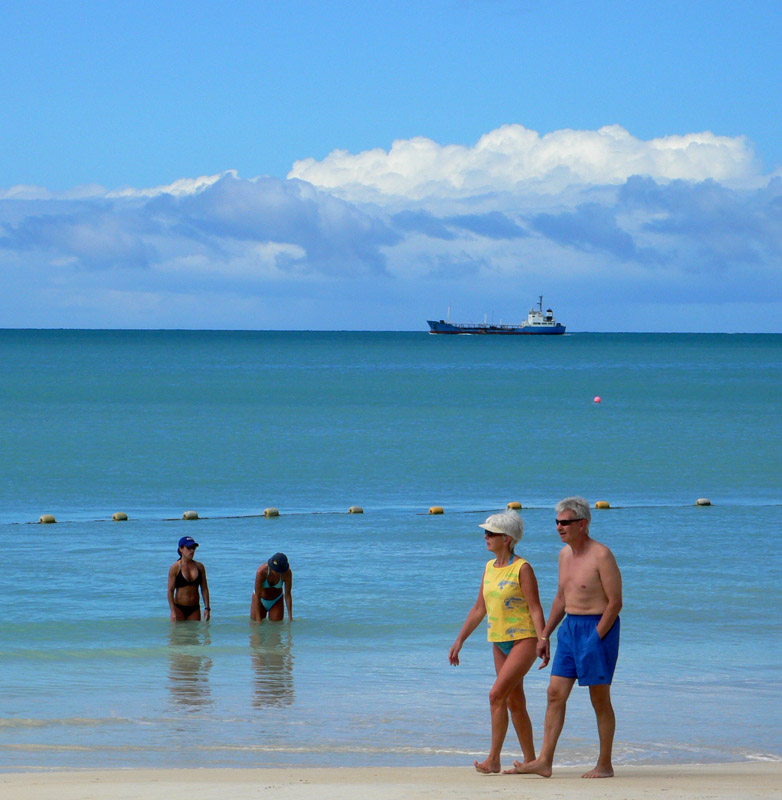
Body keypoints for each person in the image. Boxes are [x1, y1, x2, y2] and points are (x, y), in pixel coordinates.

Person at [510, 496, 622, 779]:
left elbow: (615, 603)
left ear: (582, 524)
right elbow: (561, 597)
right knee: (554, 694)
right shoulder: (564, 555)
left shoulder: (602, 555)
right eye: (557, 522)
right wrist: (544, 634)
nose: (559, 527)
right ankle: (544, 761)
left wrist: (596, 638)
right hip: (569, 629)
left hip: (598, 628)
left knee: (599, 699)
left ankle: (605, 764)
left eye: (565, 522)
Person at [448, 510, 546, 774]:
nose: (485, 537)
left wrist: (543, 639)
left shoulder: (522, 568)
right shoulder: (489, 568)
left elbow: (535, 608)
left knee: (495, 695)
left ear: (508, 539)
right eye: (486, 532)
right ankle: (531, 761)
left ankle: (493, 759)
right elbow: (479, 608)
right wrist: (460, 640)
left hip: (523, 639)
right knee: (515, 702)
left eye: (491, 533)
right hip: (498, 641)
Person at [167, 536, 211, 622]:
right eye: (189, 548)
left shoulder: (199, 567)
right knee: (179, 634)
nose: (192, 551)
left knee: (194, 634)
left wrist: (207, 608)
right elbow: (170, 591)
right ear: (181, 549)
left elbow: (204, 589)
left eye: (193, 548)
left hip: (195, 608)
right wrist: (172, 611)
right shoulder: (175, 568)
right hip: (179, 608)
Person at [250, 552, 293, 622]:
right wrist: (258, 619)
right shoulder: (261, 571)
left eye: (278, 570)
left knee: (276, 628)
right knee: (256, 626)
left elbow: (288, 595)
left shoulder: (287, 573)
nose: (275, 571)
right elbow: (257, 595)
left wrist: (290, 617)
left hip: (276, 600)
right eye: (274, 569)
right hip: (260, 600)